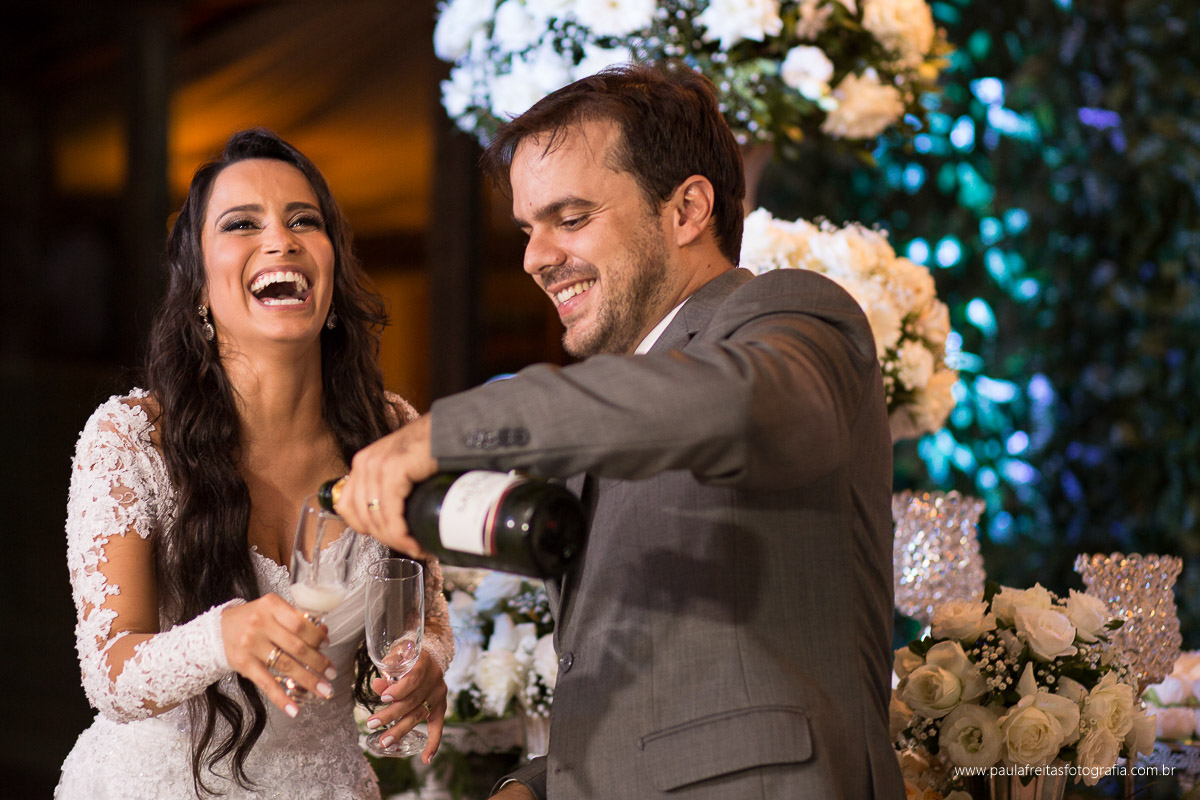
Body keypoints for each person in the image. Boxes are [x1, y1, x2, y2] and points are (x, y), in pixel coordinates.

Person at [335, 64, 903, 799]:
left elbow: (738, 406)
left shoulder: (787, 316)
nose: (534, 258)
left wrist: (451, 429)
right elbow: (669, 706)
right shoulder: (609, 405)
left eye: (569, 220)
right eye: (527, 229)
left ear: (687, 209)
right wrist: (534, 789)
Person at [56, 129, 453, 800]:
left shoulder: (393, 432)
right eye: (243, 224)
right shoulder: (127, 441)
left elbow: (426, 608)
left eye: (305, 221)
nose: (282, 240)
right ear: (200, 292)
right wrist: (223, 636)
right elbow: (109, 674)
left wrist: (430, 663)